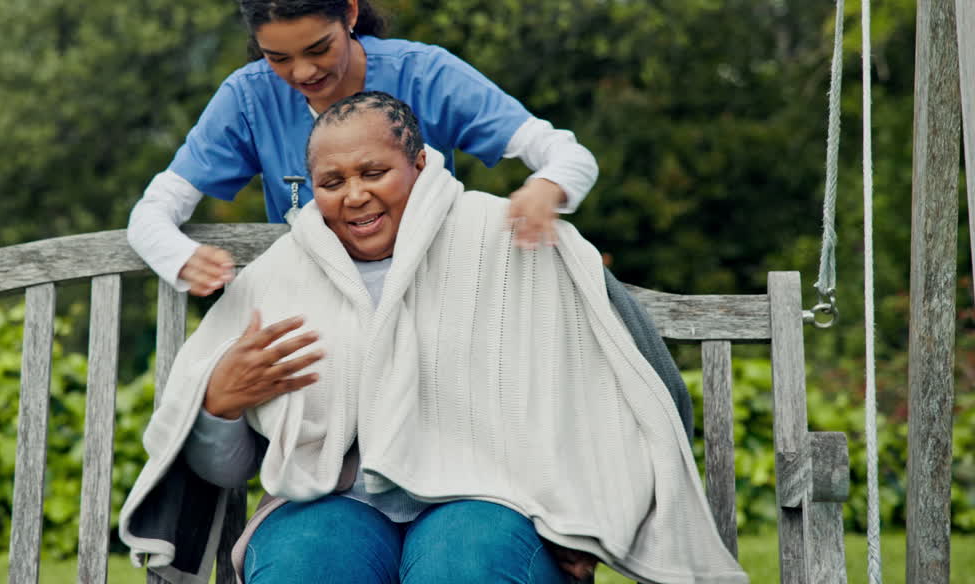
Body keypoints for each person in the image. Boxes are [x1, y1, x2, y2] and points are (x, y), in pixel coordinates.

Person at [119, 92, 747, 584]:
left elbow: (613, 393)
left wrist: (588, 517)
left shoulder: (502, 243)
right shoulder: (278, 280)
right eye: (332, 182)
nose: (355, 195)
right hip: (336, 504)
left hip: (495, 503)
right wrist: (219, 406)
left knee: (463, 562)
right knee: (307, 561)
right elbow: (224, 469)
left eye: (374, 172)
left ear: (419, 165)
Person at [127, 0, 598, 297]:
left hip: (437, 298)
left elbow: (568, 156)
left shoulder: (425, 74)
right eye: (278, 58)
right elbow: (151, 213)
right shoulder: (249, 99)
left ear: (349, 13)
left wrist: (545, 189)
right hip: (322, 312)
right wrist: (182, 258)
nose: (303, 72)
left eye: (319, 49)